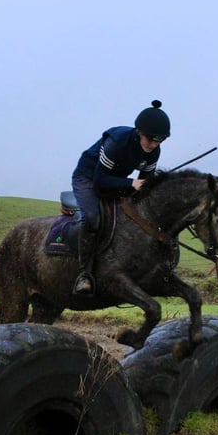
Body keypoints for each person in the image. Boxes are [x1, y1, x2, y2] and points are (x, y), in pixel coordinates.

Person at [70, 99, 171, 295]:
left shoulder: (153, 151)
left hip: (115, 179)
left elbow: (144, 184)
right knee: (92, 218)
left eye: (159, 141)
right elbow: (100, 182)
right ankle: (83, 274)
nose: (153, 145)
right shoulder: (117, 143)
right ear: (139, 132)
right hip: (88, 178)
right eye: (151, 139)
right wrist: (130, 183)